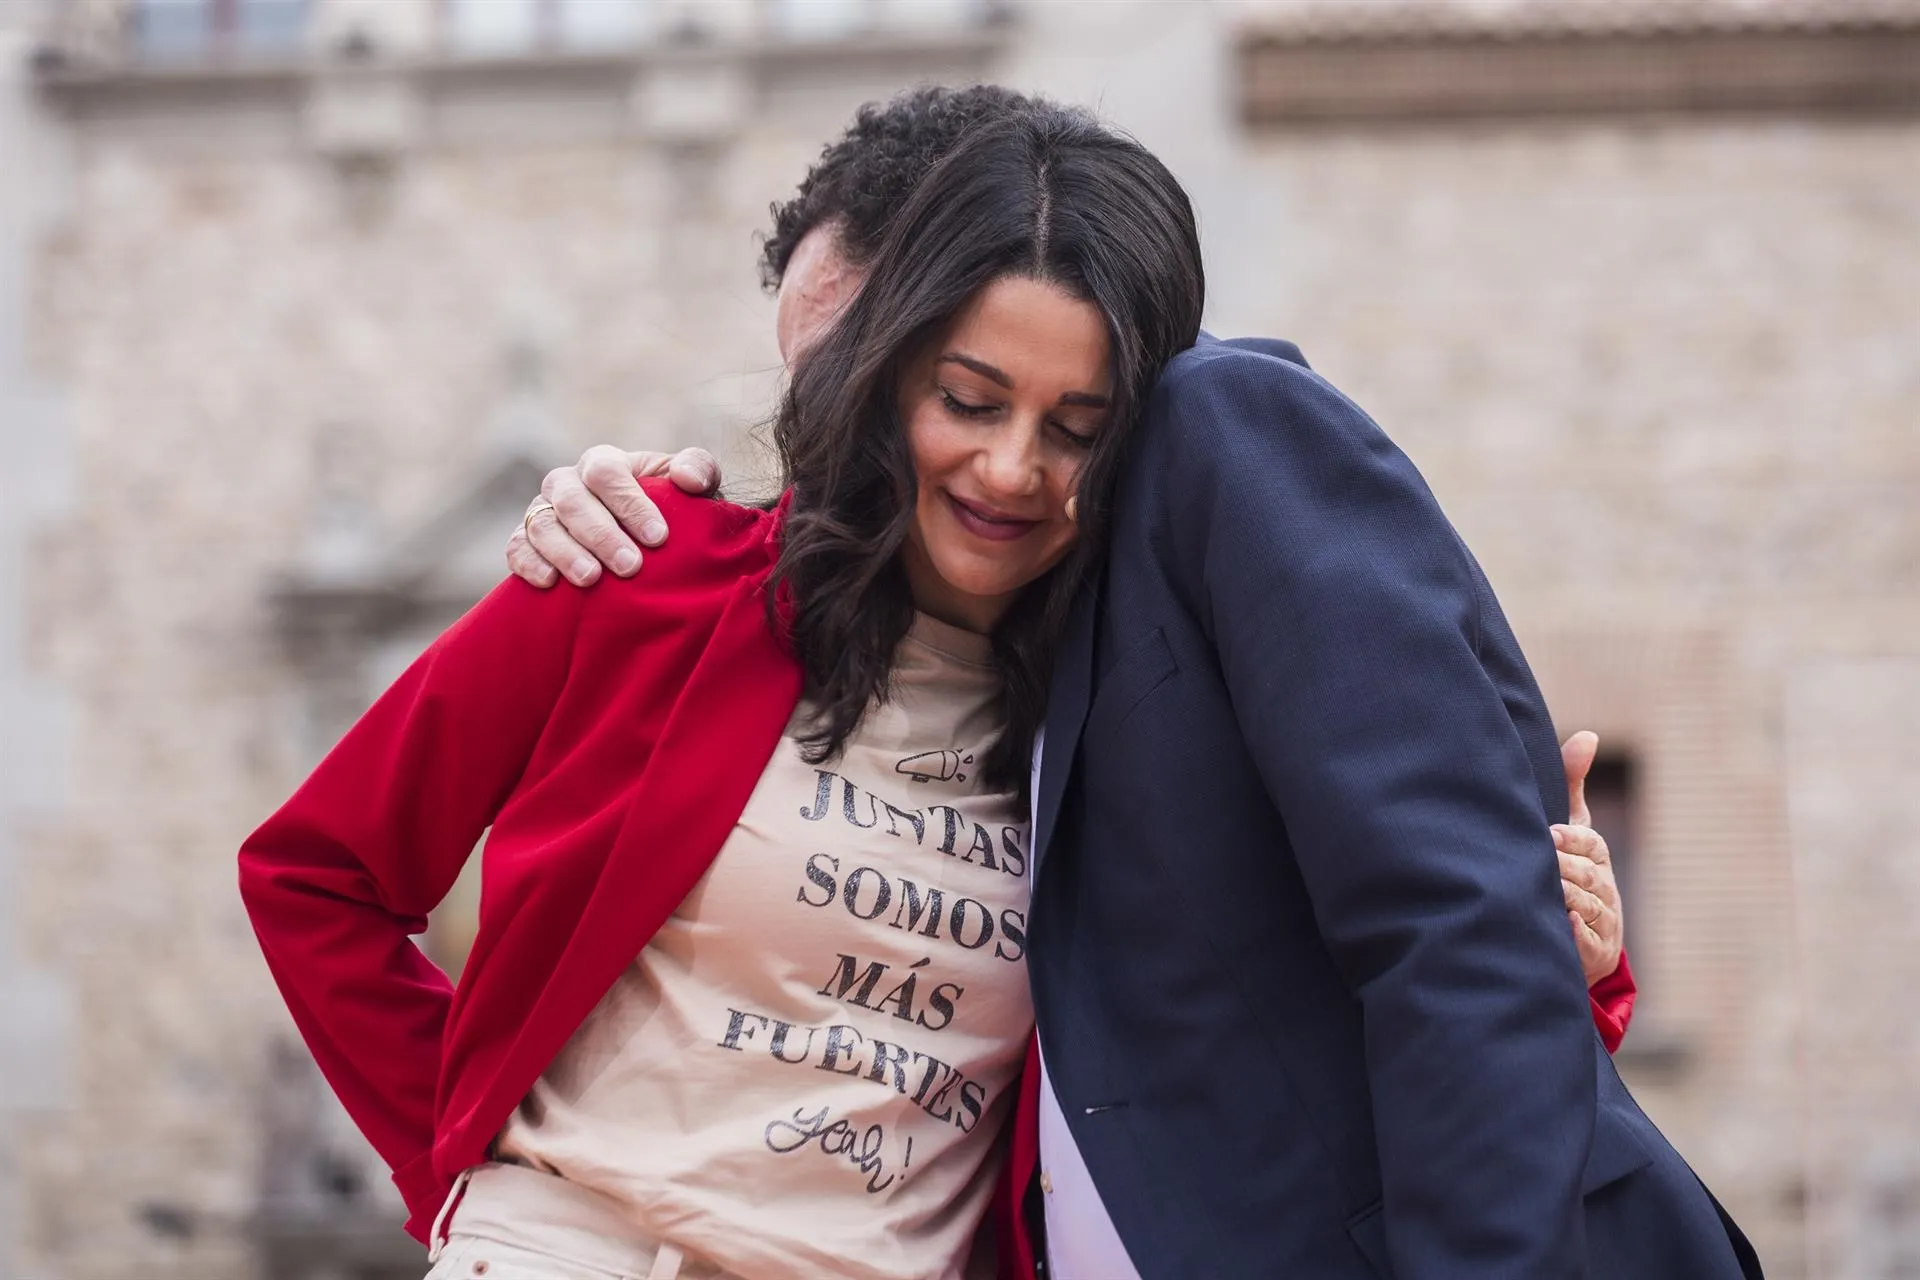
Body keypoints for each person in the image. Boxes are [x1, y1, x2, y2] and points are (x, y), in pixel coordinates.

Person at [512, 89, 1761, 1279]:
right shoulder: (954, 639)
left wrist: (1565, 967)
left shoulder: (1226, 433)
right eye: (805, 390)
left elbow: (1453, 926)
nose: (829, 438)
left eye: (866, 370)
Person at [239, 104, 1207, 1280]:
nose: (1010, 467)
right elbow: (314, 873)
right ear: (891, 371)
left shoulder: (1122, 716)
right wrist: (469, 1167)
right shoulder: (642, 569)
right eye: (968, 398)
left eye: (1076, 429)